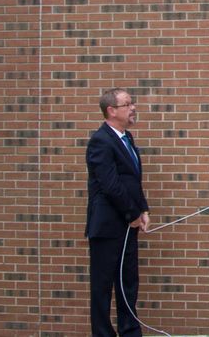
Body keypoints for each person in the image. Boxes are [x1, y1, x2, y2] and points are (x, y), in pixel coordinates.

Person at [85, 88, 150, 336]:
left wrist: (142, 210)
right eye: (127, 104)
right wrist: (132, 213)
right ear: (111, 110)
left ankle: (130, 331)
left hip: (128, 223)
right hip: (108, 227)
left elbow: (132, 180)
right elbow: (110, 185)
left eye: (132, 103)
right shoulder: (101, 141)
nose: (133, 108)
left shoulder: (127, 138)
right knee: (102, 287)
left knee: (128, 284)